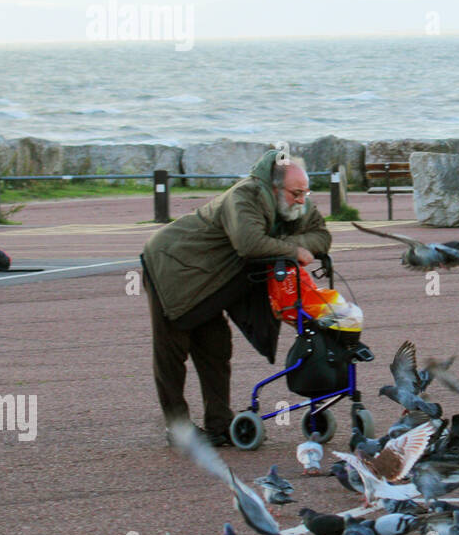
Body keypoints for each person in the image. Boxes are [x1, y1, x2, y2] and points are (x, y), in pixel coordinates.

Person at [141, 149, 331, 445]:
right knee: (171, 352)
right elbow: (249, 243)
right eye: (296, 193)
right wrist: (293, 250)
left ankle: (220, 424)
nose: (301, 200)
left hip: (210, 280)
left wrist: (284, 242)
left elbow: (322, 236)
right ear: (274, 187)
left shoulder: (292, 202)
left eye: (305, 193)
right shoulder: (244, 196)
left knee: (216, 347)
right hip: (172, 267)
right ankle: (177, 428)